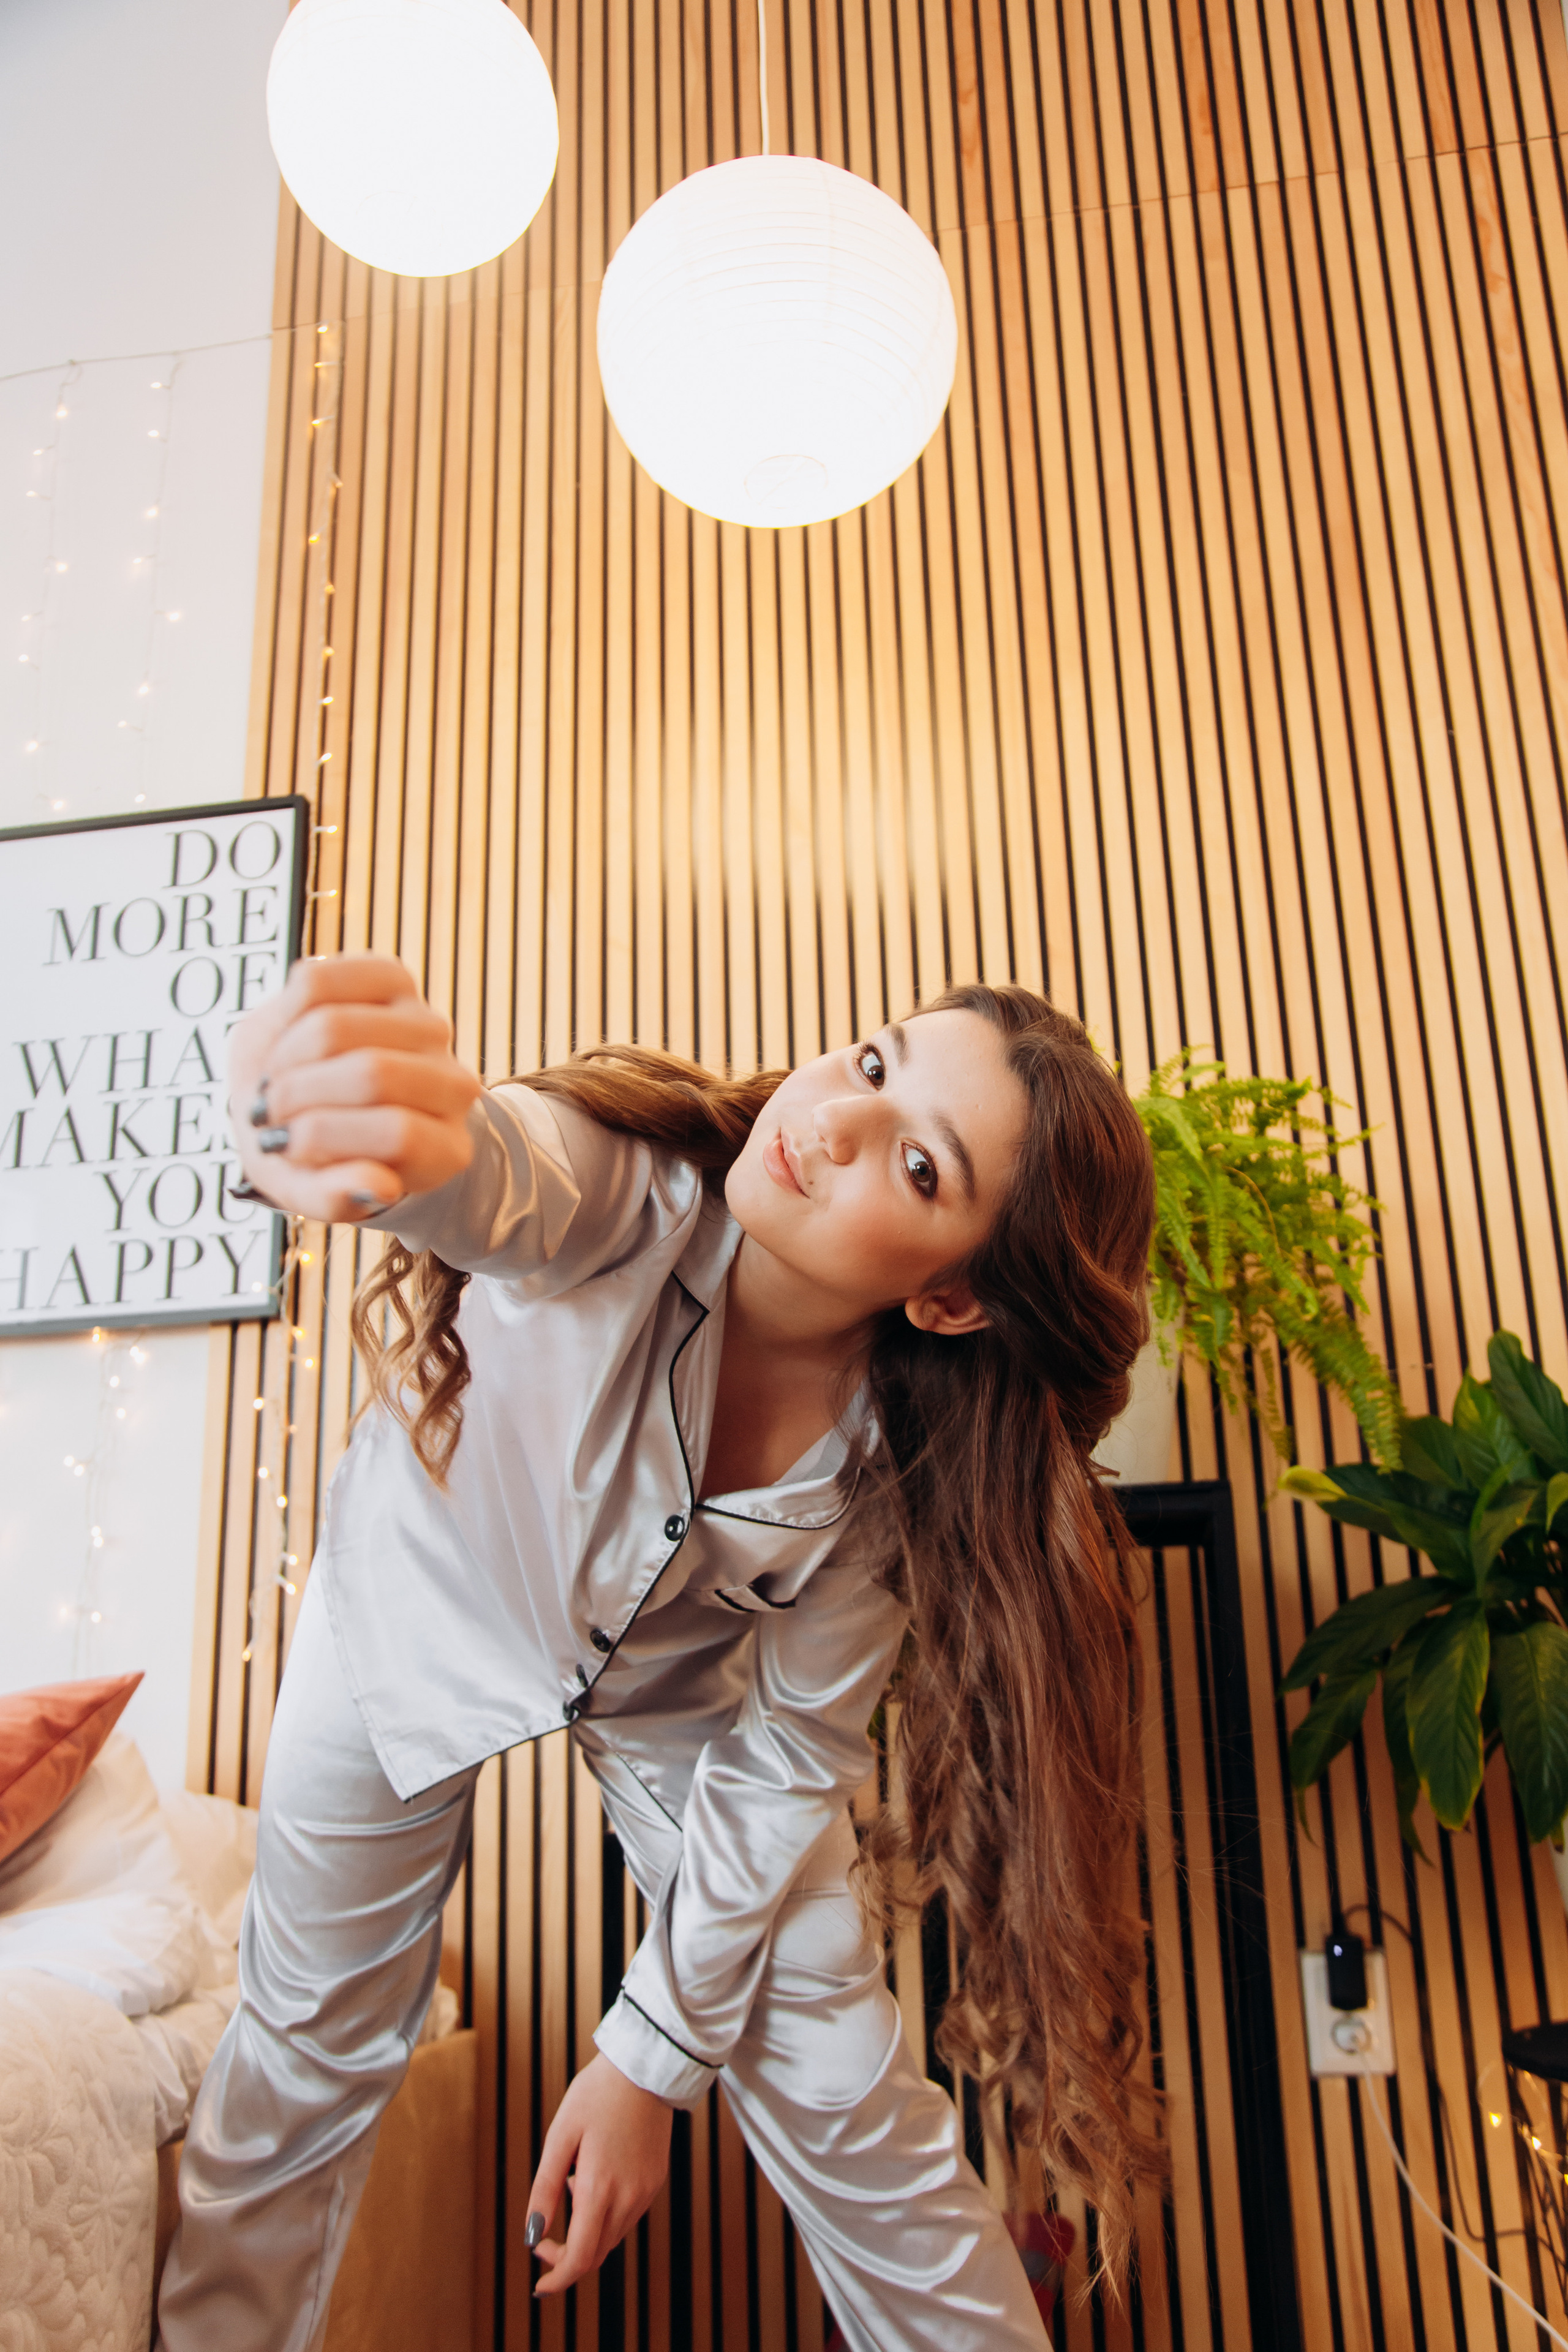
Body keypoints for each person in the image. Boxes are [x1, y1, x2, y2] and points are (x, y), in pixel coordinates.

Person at [156, 954, 1164, 2352]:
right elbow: (492, 1168)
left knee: (834, 2070)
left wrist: (647, 2060)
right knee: (305, 2054)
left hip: (686, 1698)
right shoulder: (621, 1188)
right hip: (417, 1594)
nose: (836, 1119)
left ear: (950, 1300)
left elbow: (791, 1752)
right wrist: (379, 1132)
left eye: (919, 1169)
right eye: (870, 1063)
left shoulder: (897, 1466)